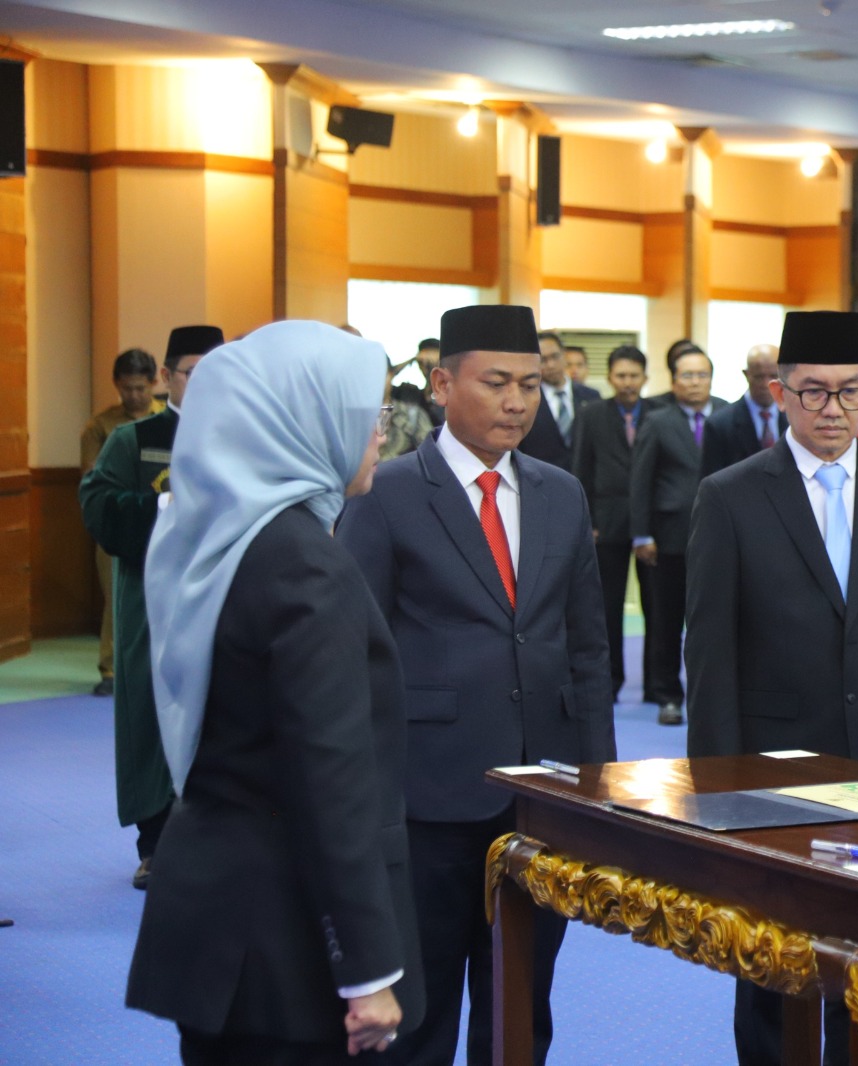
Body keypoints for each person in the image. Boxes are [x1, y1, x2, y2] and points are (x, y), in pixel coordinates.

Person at [126, 321, 423, 1064]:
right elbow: (329, 779)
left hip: (215, 909)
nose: (380, 434)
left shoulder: (224, 532)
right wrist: (367, 971)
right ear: (307, 419)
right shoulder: (302, 565)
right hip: (283, 941)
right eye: (370, 414)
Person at [337, 304, 615, 1066]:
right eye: (496, 383)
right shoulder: (385, 492)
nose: (517, 401)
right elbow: (354, 654)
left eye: (529, 383)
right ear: (441, 383)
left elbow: (588, 649)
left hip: (544, 796)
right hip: (426, 794)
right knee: (418, 1018)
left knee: (521, 1009)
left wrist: (599, 784)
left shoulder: (561, 492)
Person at [685, 311, 858, 1066]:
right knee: (774, 964)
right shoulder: (732, 494)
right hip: (772, 773)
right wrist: (713, 792)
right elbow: (709, 657)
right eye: (813, 393)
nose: (832, 410)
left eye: (849, 393)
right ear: (780, 393)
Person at [80, 325, 223, 889]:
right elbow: (97, 503)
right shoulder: (135, 441)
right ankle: (156, 845)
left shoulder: (243, 439)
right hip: (152, 607)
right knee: (152, 720)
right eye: (193, 373)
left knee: (220, 720)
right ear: (167, 378)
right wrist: (168, 505)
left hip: (222, 605)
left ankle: (216, 841)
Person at [631, 348, 727, 725]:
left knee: (714, 621)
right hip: (669, 536)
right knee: (666, 621)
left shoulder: (726, 414)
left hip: (720, 537)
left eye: (701, 375)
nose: (695, 382)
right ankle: (668, 695)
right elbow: (641, 480)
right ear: (673, 381)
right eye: (687, 376)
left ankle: (712, 694)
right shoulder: (657, 421)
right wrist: (641, 534)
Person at [571, 345, 655, 701]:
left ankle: (656, 684)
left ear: (644, 378)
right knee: (607, 606)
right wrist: (586, 519)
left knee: (657, 607)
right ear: (609, 378)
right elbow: (581, 468)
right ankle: (611, 680)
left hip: (651, 524)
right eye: (621, 375)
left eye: (634, 375)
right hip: (605, 523)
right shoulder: (591, 415)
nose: (627, 383)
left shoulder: (659, 413)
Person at [79, 346, 163, 697]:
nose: (134, 395)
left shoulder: (169, 420)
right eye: (127, 388)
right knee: (117, 595)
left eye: (141, 388)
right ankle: (111, 668)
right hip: (119, 520)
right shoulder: (100, 427)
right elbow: (91, 479)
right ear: (116, 384)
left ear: (156, 381)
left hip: (163, 518)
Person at [700, 343, 786, 478]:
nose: (766, 384)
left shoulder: (794, 418)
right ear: (746, 375)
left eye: (773, 376)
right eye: (759, 376)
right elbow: (710, 481)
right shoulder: (720, 424)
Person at [518, 329, 600, 469]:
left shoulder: (591, 396)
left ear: (564, 355)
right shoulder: (525, 398)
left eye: (555, 356)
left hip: (585, 482)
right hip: (542, 478)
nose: (551, 365)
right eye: (543, 360)